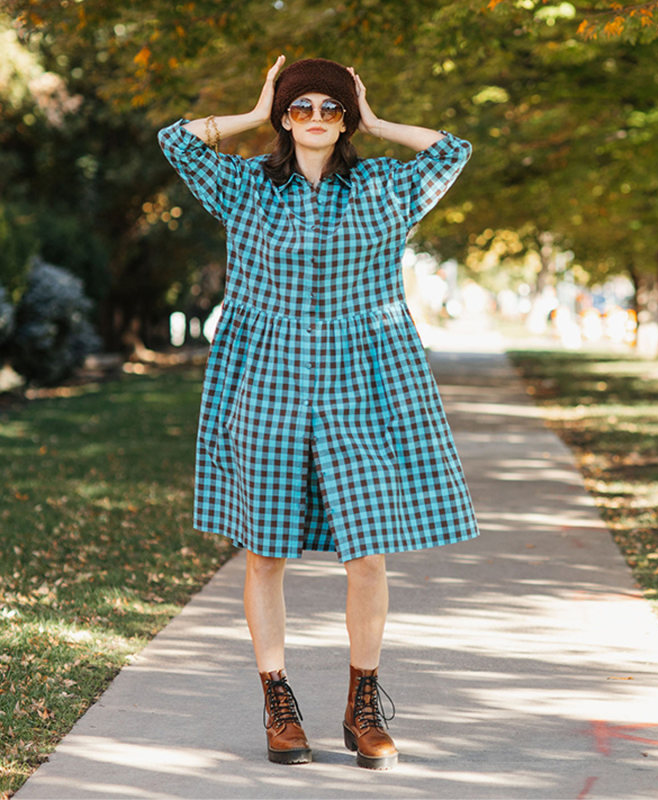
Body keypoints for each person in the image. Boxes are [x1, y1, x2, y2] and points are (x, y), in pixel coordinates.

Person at [158, 55, 480, 770]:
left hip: (360, 385)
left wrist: (377, 115)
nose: (314, 118)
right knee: (265, 551)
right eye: (299, 107)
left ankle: (362, 706)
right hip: (266, 384)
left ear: (345, 118)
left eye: (329, 108)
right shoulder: (245, 186)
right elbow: (175, 140)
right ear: (283, 116)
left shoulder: (383, 186)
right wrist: (251, 109)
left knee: (366, 552)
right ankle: (278, 702)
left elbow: (455, 150)